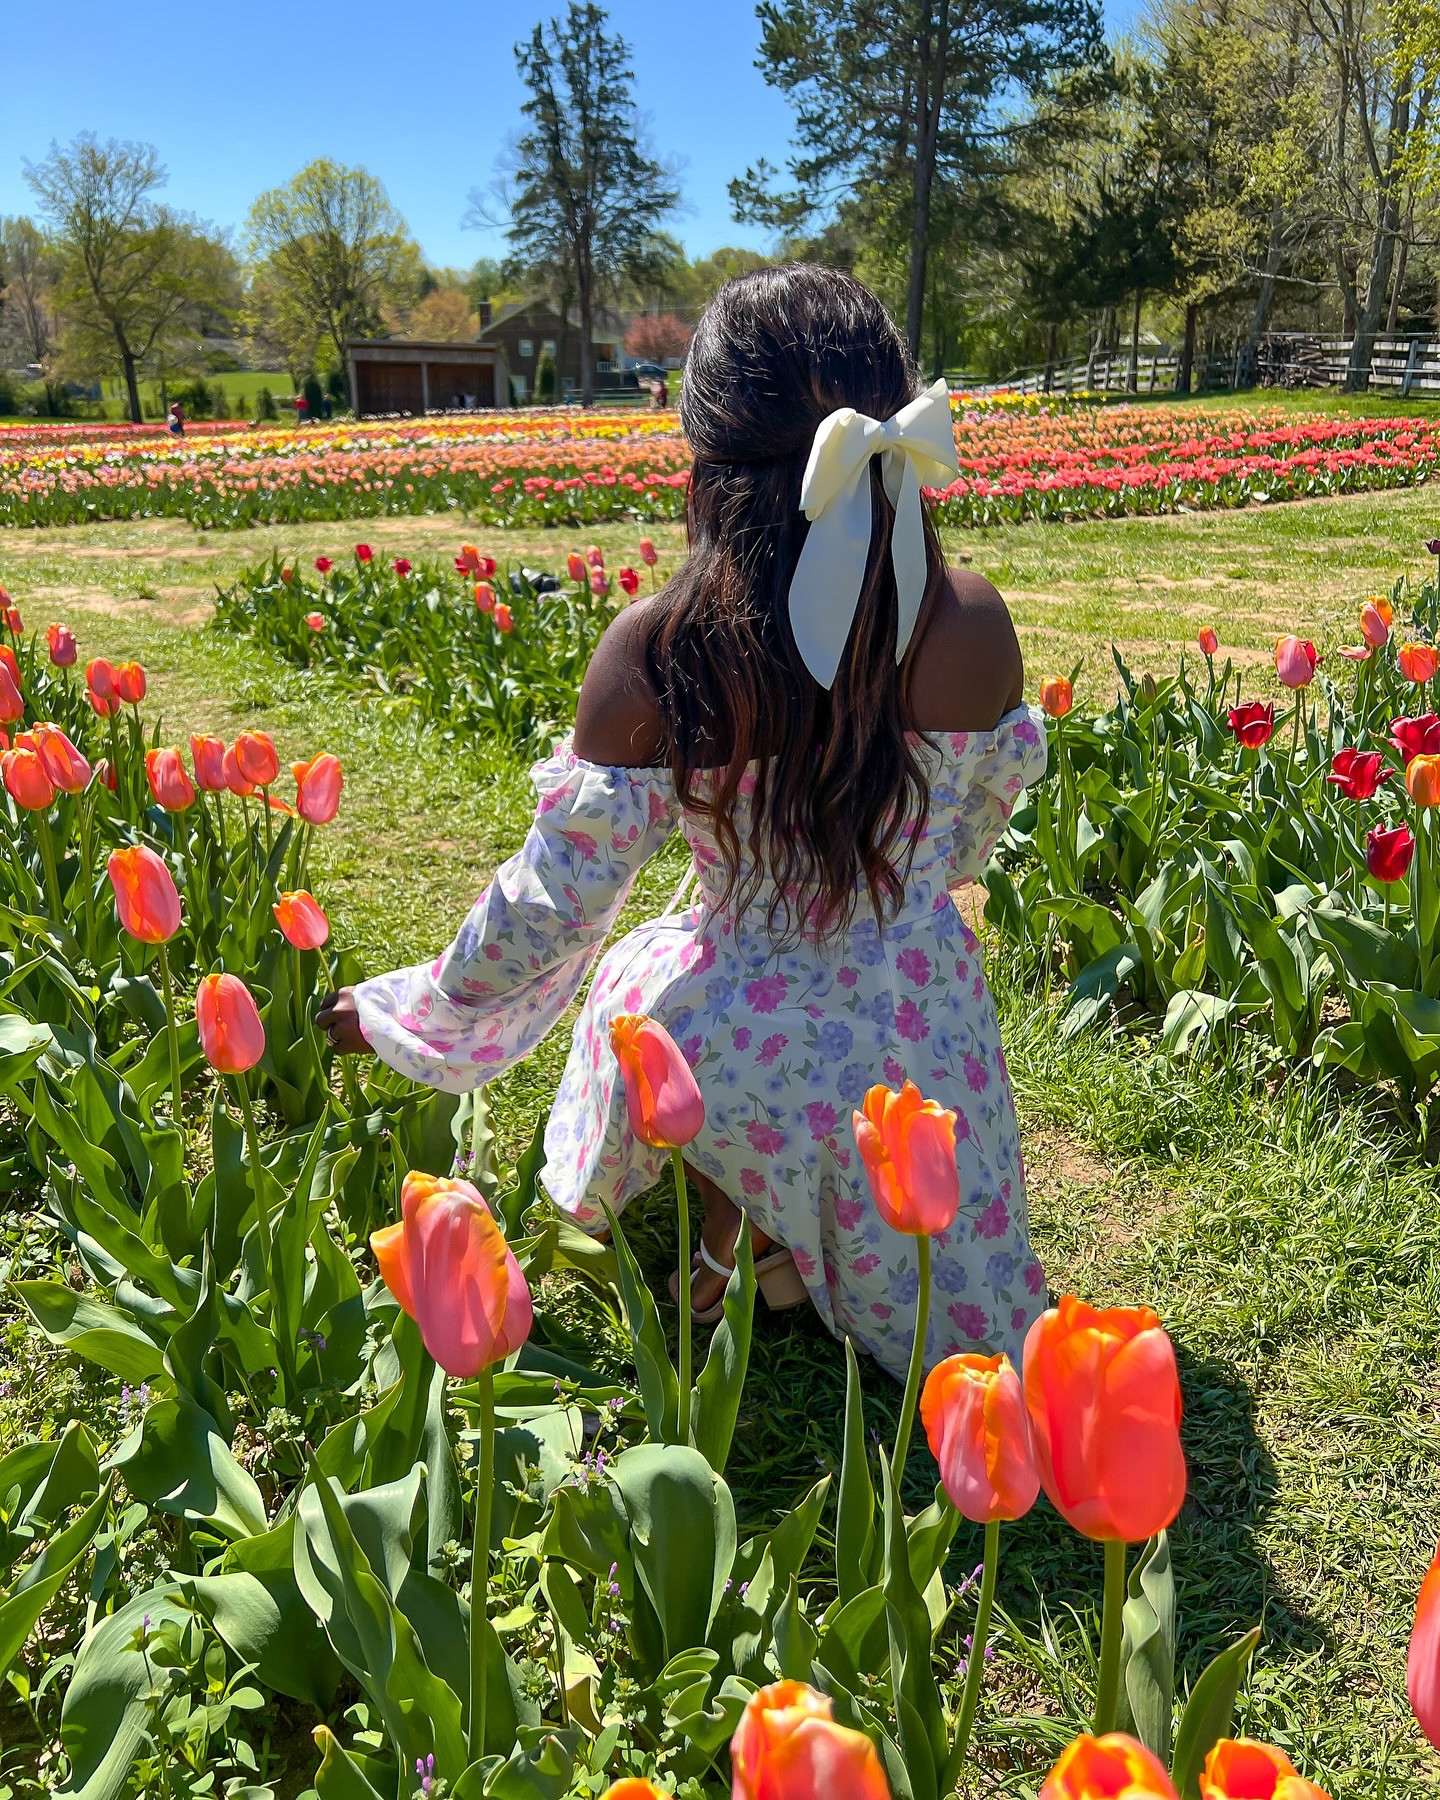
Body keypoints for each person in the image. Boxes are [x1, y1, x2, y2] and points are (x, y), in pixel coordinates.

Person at [318, 266, 1047, 1383]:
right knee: (833, 1050)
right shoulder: (973, 622)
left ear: (704, 460)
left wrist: (407, 1009)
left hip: (734, 1050)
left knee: (652, 984)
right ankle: (790, 1242)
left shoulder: (662, 653)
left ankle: (730, 1233)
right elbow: (967, 840)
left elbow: (551, 910)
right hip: (918, 1027)